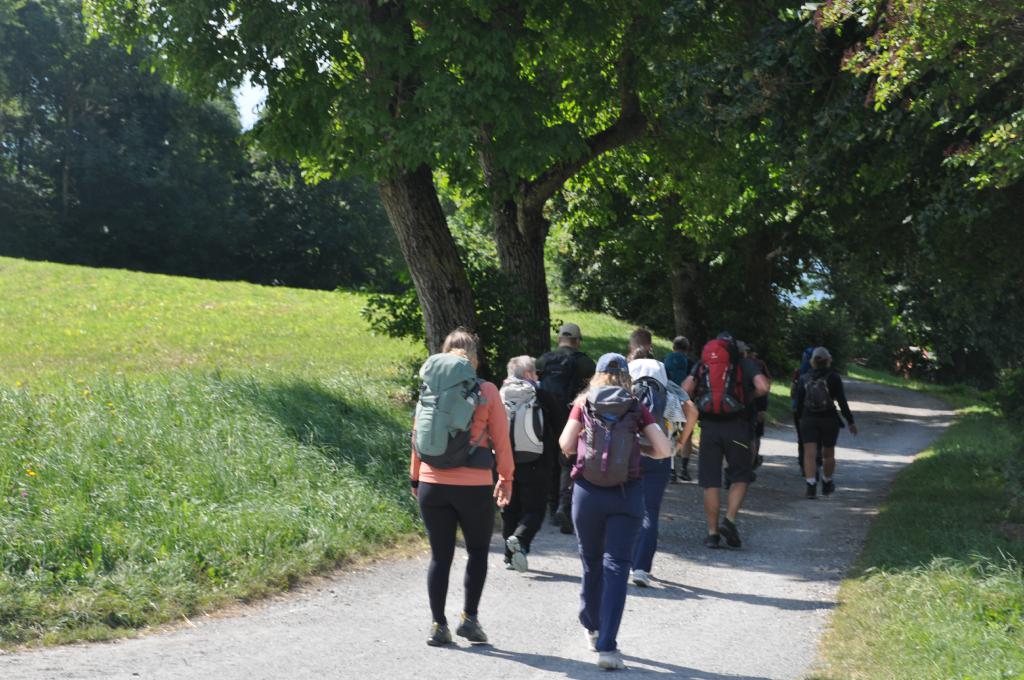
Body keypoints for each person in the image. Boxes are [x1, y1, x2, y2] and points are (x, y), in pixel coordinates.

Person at [558, 353, 672, 670]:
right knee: (618, 566)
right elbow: (663, 450)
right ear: (626, 377)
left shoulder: (584, 402)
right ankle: (608, 648)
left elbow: (565, 443)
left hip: (587, 494)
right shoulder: (636, 405)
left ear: (596, 375)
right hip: (627, 494)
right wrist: (639, 448)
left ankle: (591, 625)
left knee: (591, 561)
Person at [410, 329, 513, 647]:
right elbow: (501, 439)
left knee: (440, 557)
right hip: (474, 485)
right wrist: (506, 478)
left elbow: (417, 436)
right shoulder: (487, 390)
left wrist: (416, 478)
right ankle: (469, 619)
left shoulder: (429, 388)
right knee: (478, 552)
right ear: (473, 359)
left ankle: (438, 626)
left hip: (431, 482)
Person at [683, 332, 770, 549]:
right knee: (741, 475)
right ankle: (729, 520)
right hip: (738, 428)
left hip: (709, 429)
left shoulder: (703, 365)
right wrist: (748, 396)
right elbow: (763, 387)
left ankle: (712, 534)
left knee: (710, 481)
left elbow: (685, 390)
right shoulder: (745, 364)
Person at [628, 347, 698, 588]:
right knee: (650, 511)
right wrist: (680, 441)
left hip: (628, 453)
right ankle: (641, 568)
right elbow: (692, 411)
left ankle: (622, 558)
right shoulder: (667, 385)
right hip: (660, 454)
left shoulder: (625, 383)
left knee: (624, 506)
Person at [499, 355, 560, 572]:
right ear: (527, 374)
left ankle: (509, 556)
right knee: (535, 509)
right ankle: (520, 539)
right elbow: (559, 425)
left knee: (509, 509)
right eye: (535, 372)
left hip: (506, 461)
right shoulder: (542, 396)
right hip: (537, 462)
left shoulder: (499, 395)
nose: (537, 376)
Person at [538, 323, 596, 534]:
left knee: (550, 460)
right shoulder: (586, 363)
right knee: (569, 461)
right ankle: (564, 506)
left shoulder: (543, 360)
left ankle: (551, 505)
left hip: (546, 418)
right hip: (572, 417)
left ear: (559, 339)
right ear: (577, 341)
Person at [794, 347, 858, 498]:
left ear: (812, 361)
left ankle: (810, 486)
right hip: (829, 419)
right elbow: (842, 401)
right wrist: (850, 421)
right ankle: (827, 481)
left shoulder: (804, 378)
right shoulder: (834, 378)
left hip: (808, 419)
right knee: (828, 454)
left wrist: (800, 419)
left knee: (809, 454)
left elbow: (799, 403)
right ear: (828, 361)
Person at [664, 336, 696, 482]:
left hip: (669, 400)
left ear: (673, 347)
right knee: (687, 435)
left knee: (670, 434)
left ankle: (671, 471)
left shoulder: (665, 360)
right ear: (687, 349)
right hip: (686, 401)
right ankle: (684, 469)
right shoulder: (691, 364)